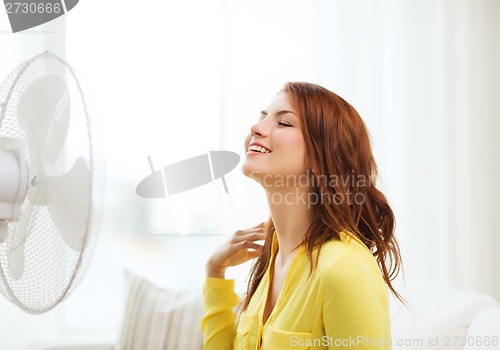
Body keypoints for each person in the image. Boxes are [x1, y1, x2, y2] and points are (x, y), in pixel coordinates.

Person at [201, 82, 403, 349]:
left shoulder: (344, 268)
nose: (256, 128)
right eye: (262, 117)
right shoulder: (271, 260)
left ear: (326, 153)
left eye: (284, 123)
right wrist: (215, 271)